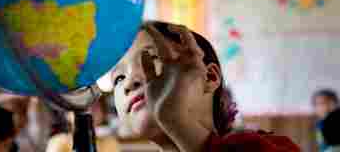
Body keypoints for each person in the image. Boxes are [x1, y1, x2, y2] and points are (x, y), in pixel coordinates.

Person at [110, 21, 300, 152]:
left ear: (209, 77)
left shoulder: (264, 147)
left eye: (150, 59)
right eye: (118, 78)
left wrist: (175, 118)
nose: (129, 82)